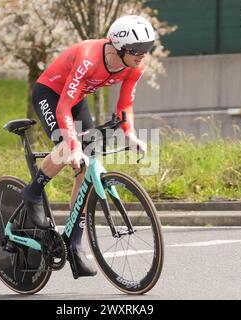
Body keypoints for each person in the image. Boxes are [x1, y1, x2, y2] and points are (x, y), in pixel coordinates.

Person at [22, 15, 154, 276]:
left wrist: (130, 133)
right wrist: (72, 146)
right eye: (137, 51)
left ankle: (74, 243)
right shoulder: (89, 58)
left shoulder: (135, 66)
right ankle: (33, 192)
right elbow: (62, 109)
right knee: (67, 142)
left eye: (147, 48)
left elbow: (125, 104)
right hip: (51, 94)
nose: (143, 55)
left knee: (86, 167)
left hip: (76, 97)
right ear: (119, 48)